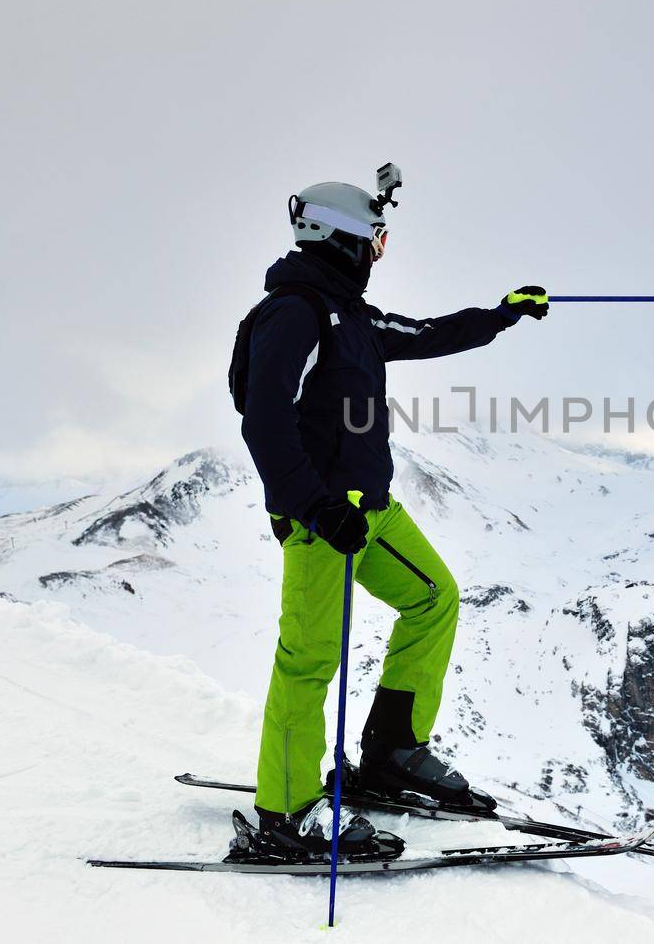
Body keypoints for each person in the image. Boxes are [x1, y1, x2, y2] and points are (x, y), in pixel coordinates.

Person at [235, 175, 548, 861]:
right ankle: (285, 815)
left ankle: (391, 752)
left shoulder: (353, 315)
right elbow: (263, 422)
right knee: (310, 657)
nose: (379, 251)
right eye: (374, 238)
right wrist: (314, 506)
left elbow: (427, 334)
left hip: (371, 511)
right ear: (338, 235)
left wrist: (502, 315)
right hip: (321, 517)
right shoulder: (294, 313)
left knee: (434, 598)